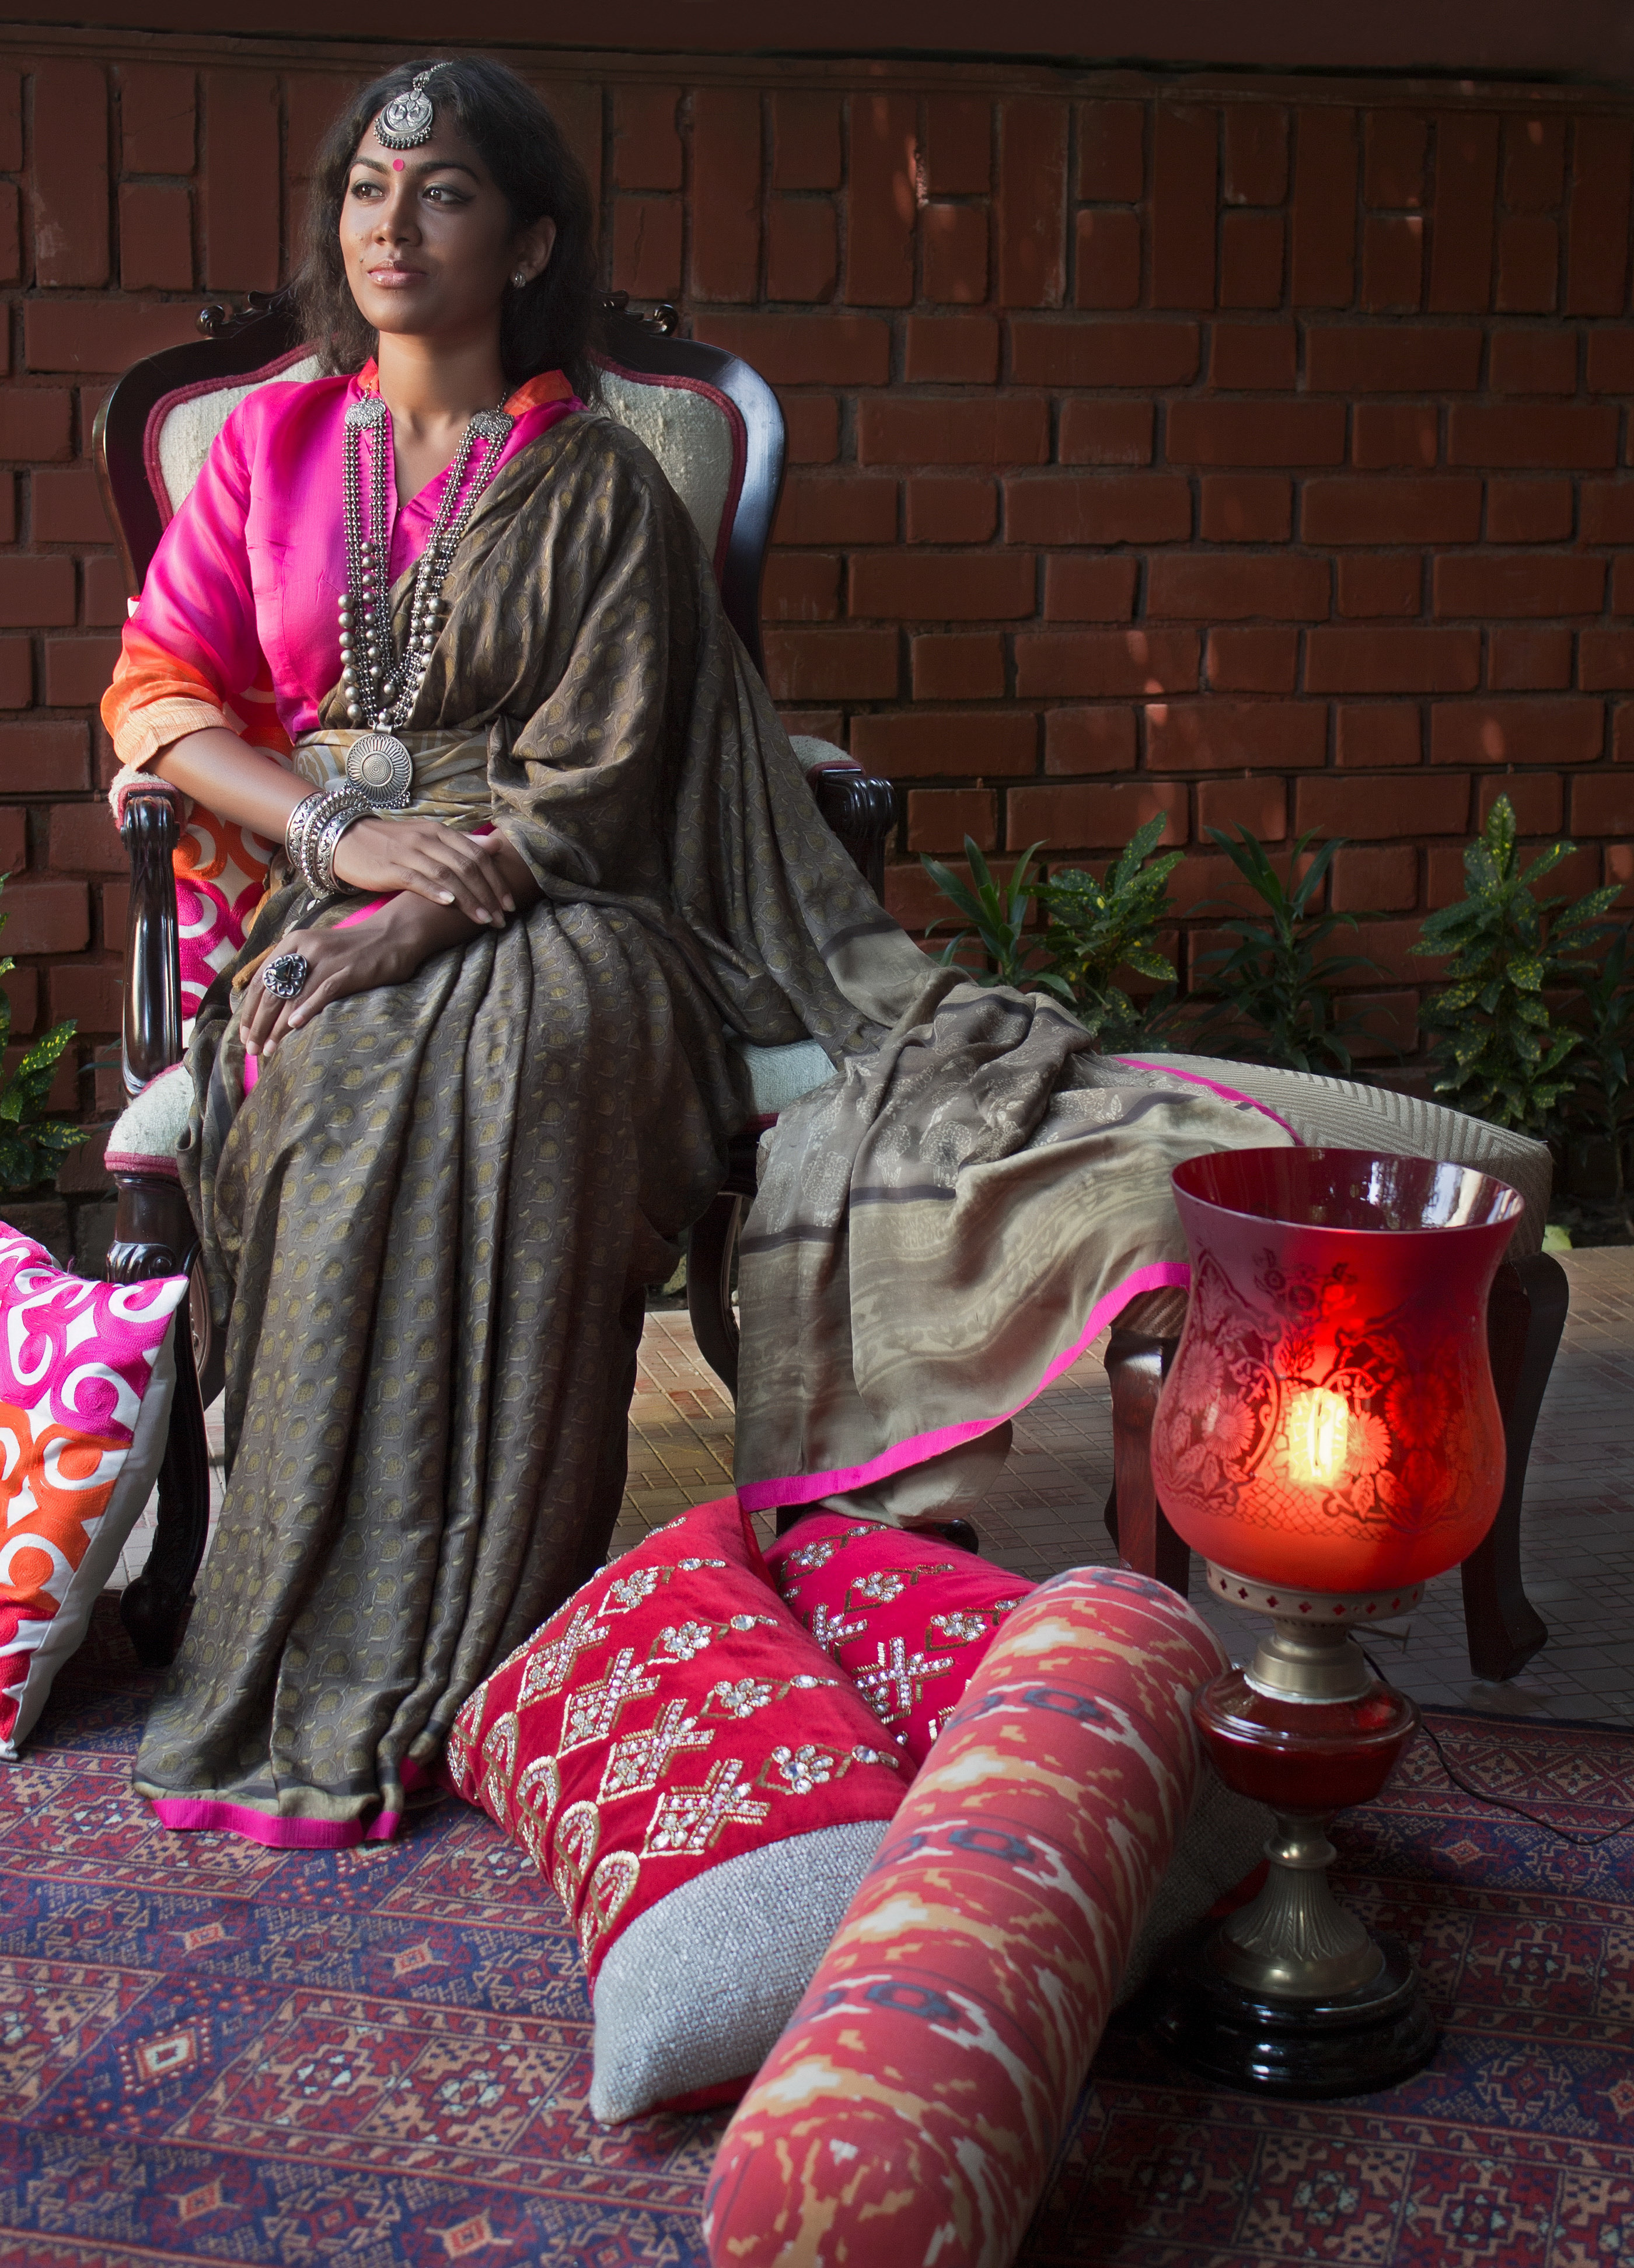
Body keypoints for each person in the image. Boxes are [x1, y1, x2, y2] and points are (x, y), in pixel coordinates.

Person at [103, 59, 1549, 1848]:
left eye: (445, 191)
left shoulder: (601, 482)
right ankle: (302, 1632)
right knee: (346, 1074)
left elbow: (606, 779)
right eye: (365, 192)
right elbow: (158, 696)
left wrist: (446, 902)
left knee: (543, 1042)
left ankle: (498, 1636)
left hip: (588, 902)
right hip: (338, 890)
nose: (394, 226)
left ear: (529, 239)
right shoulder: (270, 449)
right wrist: (340, 845)